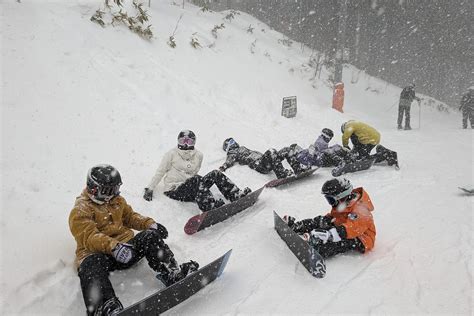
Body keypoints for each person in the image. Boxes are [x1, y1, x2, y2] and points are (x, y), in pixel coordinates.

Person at [69, 164, 199, 316]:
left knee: (149, 236)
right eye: (108, 191)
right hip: (99, 255)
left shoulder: (117, 201)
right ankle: (104, 307)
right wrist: (114, 247)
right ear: (93, 189)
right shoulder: (80, 210)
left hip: (127, 250)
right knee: (89, 265)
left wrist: (150, 224)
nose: (113, 195)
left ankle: (170, 272)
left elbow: (130, 217)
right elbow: (89, 237)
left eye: (115, 189)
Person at [144, 130, 251, 211]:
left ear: (193, 143)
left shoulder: (198, 155)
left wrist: (200, 185)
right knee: (196, 179)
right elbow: (160, 171)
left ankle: (235, 195)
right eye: (183, 141)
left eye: (189, 141)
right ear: (178, 141)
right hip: (175, 189)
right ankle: (208, 205)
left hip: (192, 187)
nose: (185, 144)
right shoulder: (171, 154)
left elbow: (194, 173)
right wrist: (150, 188)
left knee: (215, 173)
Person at [283, 178, 375, 259]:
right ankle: (297, 226)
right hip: (342, 225)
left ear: (341, 197)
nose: (330, 203)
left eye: (331, 200)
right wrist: (322, 222)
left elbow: (351, 228)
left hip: (361, 238)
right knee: (320, 221)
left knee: (339, 243)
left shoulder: (361, 210)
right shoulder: (342, 203)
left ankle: (318, 249)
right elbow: (334, 216)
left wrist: (329, 234)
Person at [219, 138, 309, 179]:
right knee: (271, 151)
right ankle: (282, 174)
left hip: (266, 160)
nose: (234, 142)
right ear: (228, 146)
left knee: (287, 150)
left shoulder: (242, 148)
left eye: (233, 141)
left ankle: (297, 168)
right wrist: (224, 166)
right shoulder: (233, 152)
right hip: (259, 164)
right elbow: (230, 160)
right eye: (231, 142)